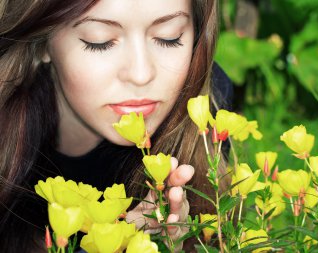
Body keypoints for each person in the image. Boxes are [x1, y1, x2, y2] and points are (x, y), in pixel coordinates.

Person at [0, 0, 232, 252]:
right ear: (41, 42)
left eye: (169, 37)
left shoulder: (207, 111)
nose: (141, 74)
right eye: (100, 41)